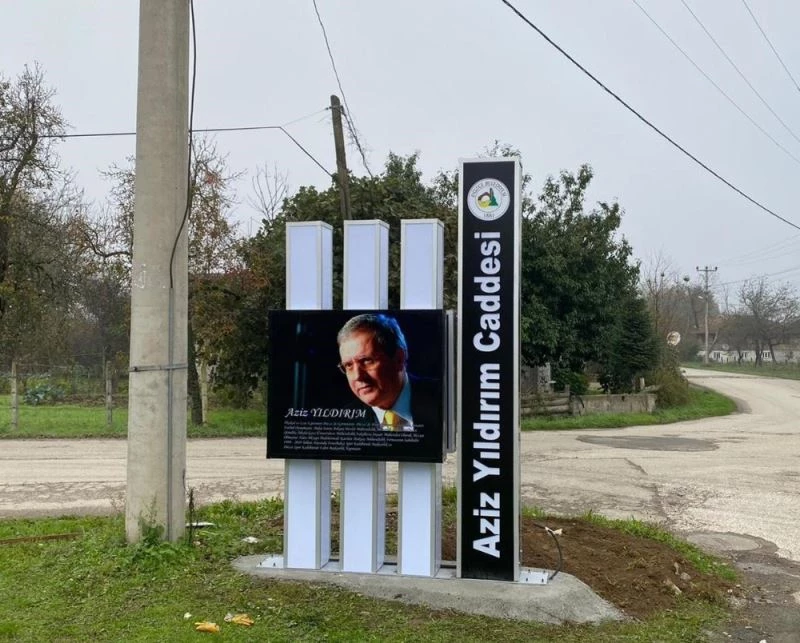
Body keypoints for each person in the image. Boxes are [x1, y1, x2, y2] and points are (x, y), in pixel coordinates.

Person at [336, 313, 440, 432]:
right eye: (348, 365)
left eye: (366, 361)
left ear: (399, 359)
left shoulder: (443, 399)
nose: (358, 376)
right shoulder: (345, 421)